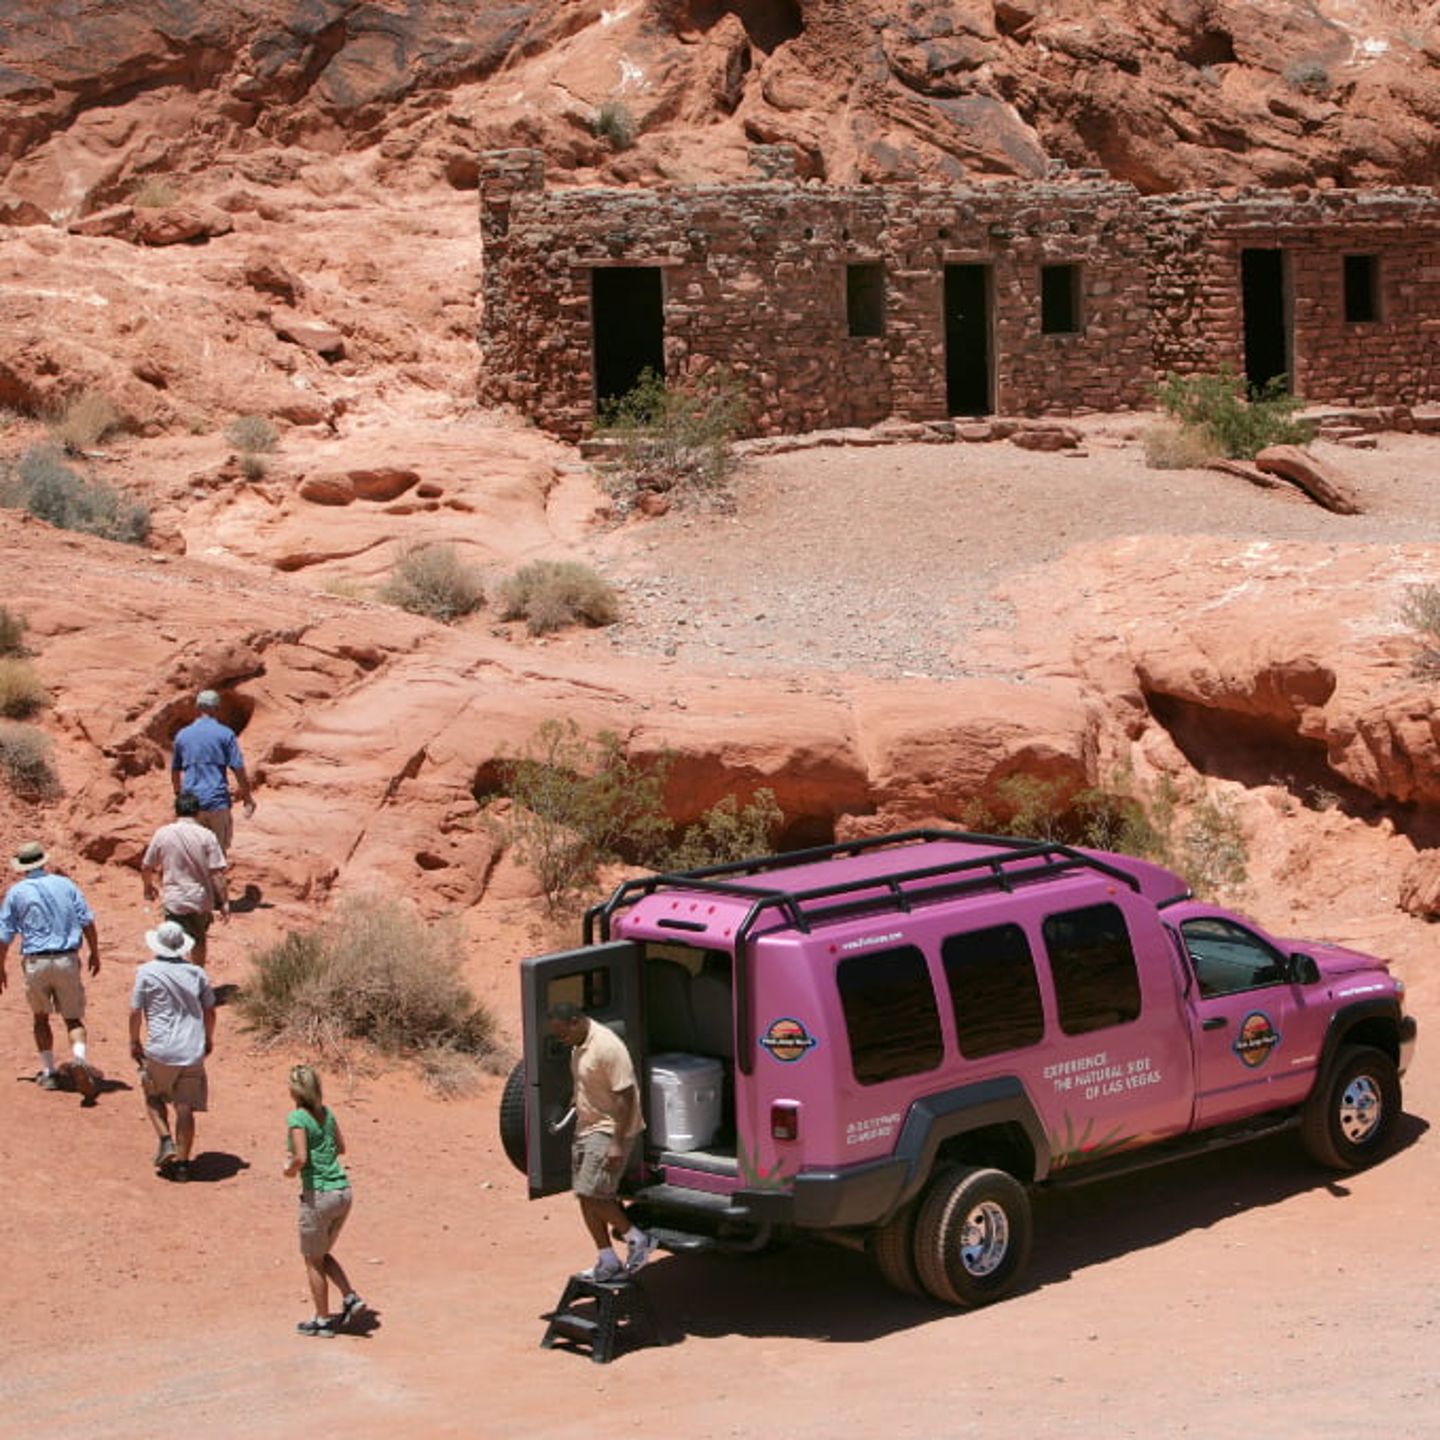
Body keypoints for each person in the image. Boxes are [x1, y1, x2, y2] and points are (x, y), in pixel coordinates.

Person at [546, 1000, 655, 1281]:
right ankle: (607, 1259)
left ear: (576, 1022)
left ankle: (638, 1239)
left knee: (592, 1193)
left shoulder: (607, 1046)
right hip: (586, 1127)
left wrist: (617, 1142)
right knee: (585, 1195)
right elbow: (588, 1079)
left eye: (562, 1034)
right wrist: (578, 1098)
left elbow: (626, 1096)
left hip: (609, 1129)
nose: (561, 1040)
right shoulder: (578, 1044)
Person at [0, 840, 100, 1101]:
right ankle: (79, 1060)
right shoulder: (65, 885)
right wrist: (95, 951)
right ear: (43, 861)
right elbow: (87, 920)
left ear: (22, 867)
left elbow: (4, 935)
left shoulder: (16, 893)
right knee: (73, 1019)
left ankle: (49, 1071)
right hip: (66, 958)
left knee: (40, 1018)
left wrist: (1, 966)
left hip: (36, 962)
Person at [129, 920, 216, 1182]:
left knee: (152, 1095)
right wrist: (208, 1038)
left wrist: (134, 1041)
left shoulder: (146, 972)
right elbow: (210, 1010)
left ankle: (166, 1139)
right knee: (184, 1106)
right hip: (191, 1048)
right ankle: (183, 1166)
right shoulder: (197, 973)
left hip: (160, 1049)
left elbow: (135, 1011)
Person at [284, 1064, 365, 1338]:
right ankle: (350, 1297)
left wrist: (289, 1170)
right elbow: (341, 1147)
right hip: (342, 1192)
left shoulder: (297, 1118)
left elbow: (300, 1157)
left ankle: (322, 1320)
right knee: (320, 1254)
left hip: (318, 1195)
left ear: (296, 1090)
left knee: (312, 1259)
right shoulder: (327, 1114)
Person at [141, 790, 229, 967]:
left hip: (175, 899)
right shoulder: (207, 836)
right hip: (200, 899)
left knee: (174, 943)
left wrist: (147, 886)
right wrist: (224, 901)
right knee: (199, 940)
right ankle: (197, 975)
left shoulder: (163, 833)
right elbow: (217, 873)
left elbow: (146, 866)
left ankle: (176, 977)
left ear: (176, 811)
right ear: (198, 811)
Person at [170, 688, 255, 856]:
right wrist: (247, 797)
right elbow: (238, 767)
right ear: (216, 708)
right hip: (217, 801)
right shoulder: (225, 734)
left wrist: (179, 794)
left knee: (194, 855)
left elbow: (175, 771)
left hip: (191, 804)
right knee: (217, 856)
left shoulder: (183, 735)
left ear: (197, 707)